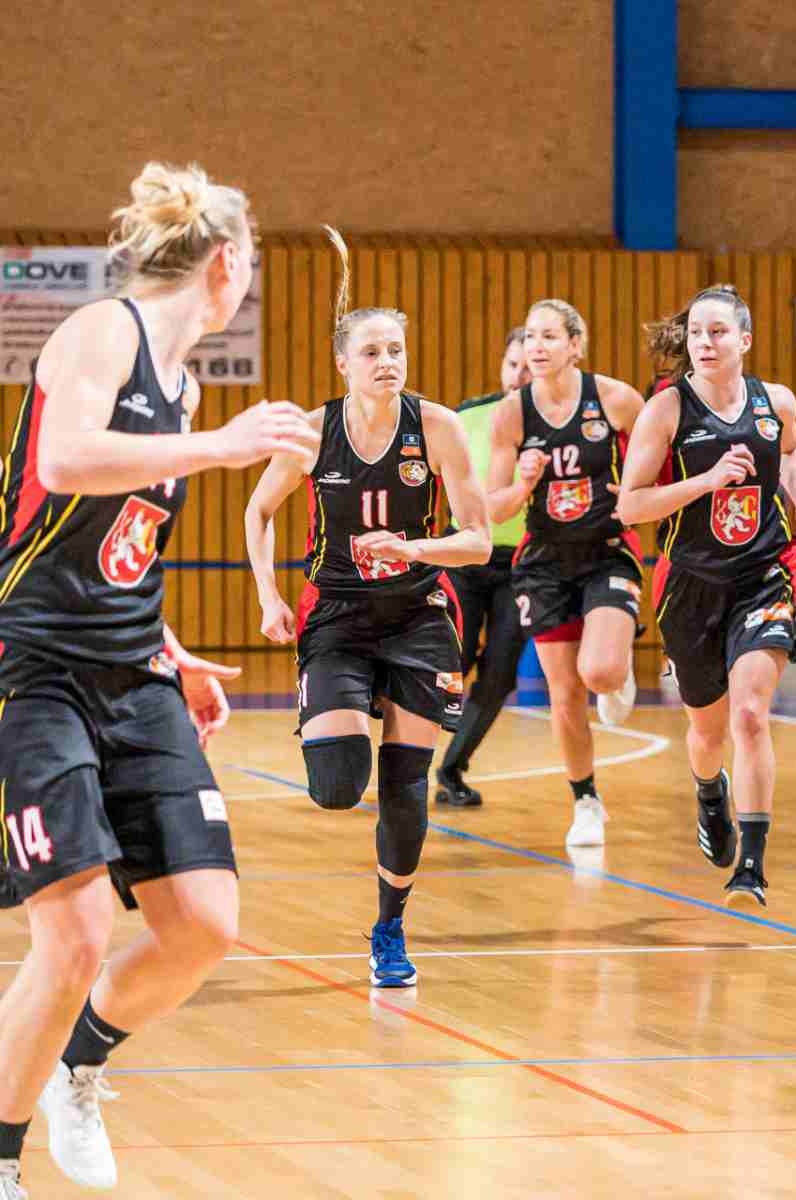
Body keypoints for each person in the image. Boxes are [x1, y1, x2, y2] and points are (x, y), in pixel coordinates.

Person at [0, 162, 319, 1197]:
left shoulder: (182, 389)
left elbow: (112, 541)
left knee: (203, 924)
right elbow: (63, 463)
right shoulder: (105, 331)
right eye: (254, 261)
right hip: (33, 665)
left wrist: (169, 650)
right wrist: (223, 447)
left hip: (131, 667)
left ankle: (78, 1068)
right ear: (226, 263)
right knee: (76, 935)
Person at [246, 227, 491, 989]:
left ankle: (389, 929)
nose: (389, 361)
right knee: (336, 787)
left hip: (418, 617)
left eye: (397, 350)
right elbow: (258, 511)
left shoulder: (437, 426)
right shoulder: (313, 432)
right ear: (343, 363)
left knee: (406, 791)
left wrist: (413, 549)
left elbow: (478, 541)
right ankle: (341, 702)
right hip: (339, 620)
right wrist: (269, 595)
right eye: (373, 351)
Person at [616, 284, 796, 909]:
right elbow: (630, 506)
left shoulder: (775, 402)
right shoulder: (666, 409)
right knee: (707, 732)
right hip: (691, 584)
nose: (704, 343)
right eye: (696, 334)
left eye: (717, 332)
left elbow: (792, 451)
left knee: (751, 715)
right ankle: (710, 792)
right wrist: (706, 481)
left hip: (765, 573)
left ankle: (752, 867)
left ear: (744, 340)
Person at [484, 301, 646, 847]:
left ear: (576, 344)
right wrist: (523, 485)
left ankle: (619, 668)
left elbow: (661, 458)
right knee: (565, 692)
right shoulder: (512, 413)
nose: (537, 346)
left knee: (599, 673)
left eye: (550, 336)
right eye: (531, 336)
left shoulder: (616, 399)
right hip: (545, 561)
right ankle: (586, 802)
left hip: (606, 550)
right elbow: (495, 508)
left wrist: (640, 491)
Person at [434, 328, 533, 807]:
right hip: (466, 554)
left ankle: (452, 769)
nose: (520, 375)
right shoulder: (468, 416)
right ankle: (403, 761)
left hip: (524, 564)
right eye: (513, 364)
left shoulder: (560, 424)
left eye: (530, 366)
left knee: (499, 674)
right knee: (451, 660)